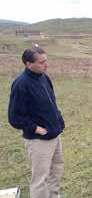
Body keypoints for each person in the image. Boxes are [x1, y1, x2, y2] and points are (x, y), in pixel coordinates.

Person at [8, 45, 65, 198]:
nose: (46, 64)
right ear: (28, 64)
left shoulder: (44, 77)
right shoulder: (21, 84)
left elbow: (51, 102)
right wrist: (36, 129)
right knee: (40, 179)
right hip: (38, 140)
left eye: (46, 60)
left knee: (56, 171)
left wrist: (59, 120)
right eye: (41, 62)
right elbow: (14, 117)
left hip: (54, 134)